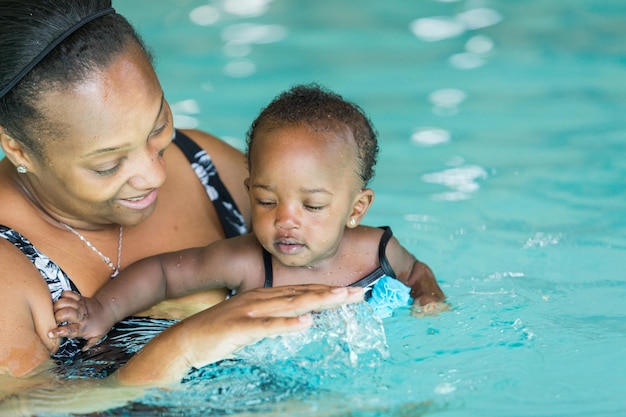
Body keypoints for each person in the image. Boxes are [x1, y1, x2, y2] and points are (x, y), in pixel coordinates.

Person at [0, 0, 365, 388]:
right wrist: (185, 344)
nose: (156, 174)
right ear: (18, 149)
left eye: (158, 126)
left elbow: (343, 254)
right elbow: (27, 408)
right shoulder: (9, 270)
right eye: (108, 165)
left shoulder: (203, 166)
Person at [51, 84, 447, 348]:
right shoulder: (245, 262)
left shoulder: (377, 249)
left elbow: (415, 273)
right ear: (248, 192)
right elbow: (162, 273)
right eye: (266, 201)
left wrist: (429, 295)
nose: (285, 220)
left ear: (356, 209)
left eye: (311, 206)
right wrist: (103, 309)